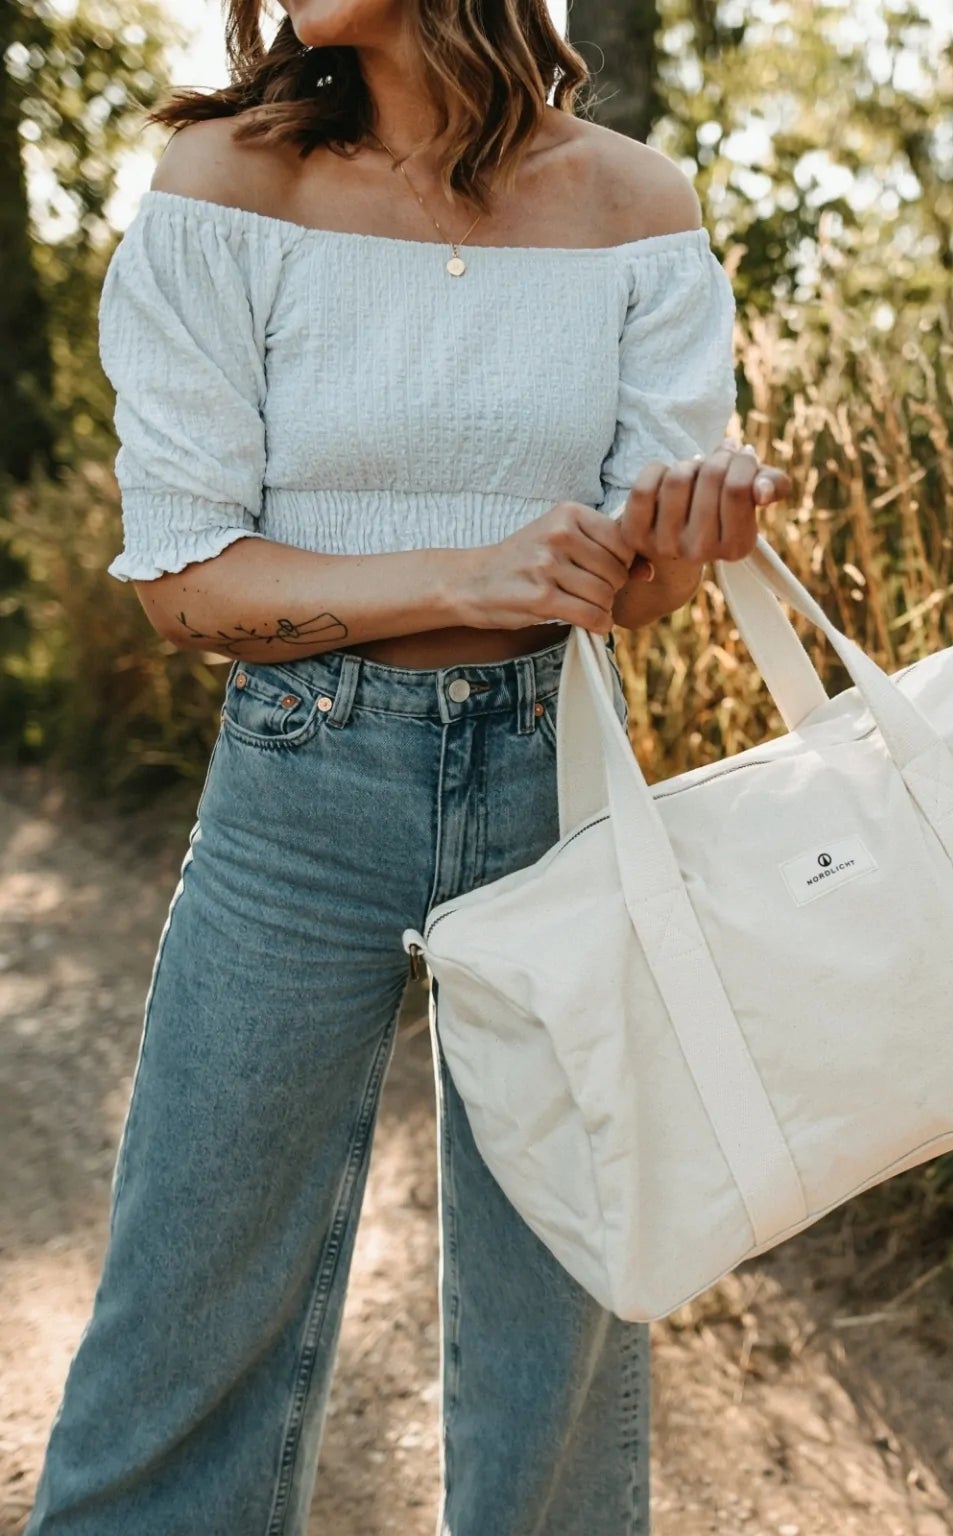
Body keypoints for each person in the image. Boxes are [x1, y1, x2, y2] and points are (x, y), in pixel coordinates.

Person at [24, 1, 791, 1531]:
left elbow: (630, 590)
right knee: (188, 1301)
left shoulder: (639, 207)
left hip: (557, 779)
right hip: (301, 788)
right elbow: (184, 585)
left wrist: (680, 542)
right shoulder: (227, 185)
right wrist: (464, 576)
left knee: (559, 1318)